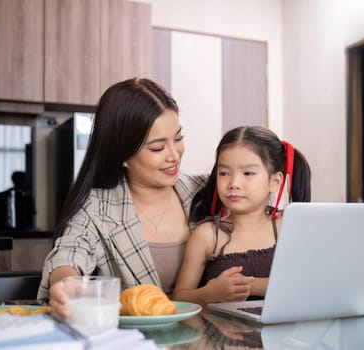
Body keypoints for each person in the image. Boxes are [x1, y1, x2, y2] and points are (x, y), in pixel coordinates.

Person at [37, 78, 207, 318]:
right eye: (158, 148)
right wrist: (67, 285)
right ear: (122, 154)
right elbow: (70, 252)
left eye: (178, 139)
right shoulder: (97, 208)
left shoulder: (206, 192)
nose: (174, 154)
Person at [172, 126, 311, 306]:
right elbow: (179, 298)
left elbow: (306, 285)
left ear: (274, 181)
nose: (234, 183)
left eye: (248, 173)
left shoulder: (289, 226)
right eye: (224, 173)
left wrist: (250, 285)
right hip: (222, 332)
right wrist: (208, 294)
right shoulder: (207, 235)